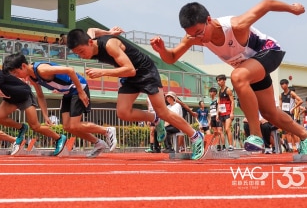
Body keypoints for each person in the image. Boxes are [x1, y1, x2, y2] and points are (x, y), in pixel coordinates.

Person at [150, 0, 307, 154]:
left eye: (199, 33)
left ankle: (256, 136)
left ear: (209, 20)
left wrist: (293, 9)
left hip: (269, 52)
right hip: (250, 69)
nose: (197, 38)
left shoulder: (236, 25)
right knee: (269, 112)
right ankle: (306, 135)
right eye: (192, 35)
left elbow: (266, 4)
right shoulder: (193, 38)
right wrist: (162, 50)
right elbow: (171, 58)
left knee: (237, 76)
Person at [67, 27, 204, 160]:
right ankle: (154, 118)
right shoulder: (90, 37)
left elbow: (130, 69)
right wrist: (109, 31)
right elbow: (92, 29)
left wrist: (102, 72)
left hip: (144, 71)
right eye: (77, 54)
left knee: (163, 111)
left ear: (90, 43)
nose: (82, 56)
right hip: (129, 76)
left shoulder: (110, 45)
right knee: (123, 112)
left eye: (81, 51)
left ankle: (196, 136)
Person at [3, 53, 117, 158]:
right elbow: (40, 96)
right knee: (67, 126)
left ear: (23, 66)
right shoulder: (32, 77)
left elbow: (70, 70)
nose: (17, 77)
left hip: (78, 88)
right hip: (68, 92)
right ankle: (98, 143)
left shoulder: (42, 69)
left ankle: (107, 130)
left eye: (16, 73)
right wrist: (45, 115)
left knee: (75, 124)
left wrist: (81, 92)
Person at [0, 54, 67, 156]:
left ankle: (59, 138)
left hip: (24, 96)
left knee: (35, 126)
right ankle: (22, 127)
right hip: (11, 99)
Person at [279, 79, 303, 152]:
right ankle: (289, 147)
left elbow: (301, 101)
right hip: (284, 114)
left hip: (290, 115)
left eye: (283, 84)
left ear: (287, 84)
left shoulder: (291, 93)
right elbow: (280, 106)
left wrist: (294, 108)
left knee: (293, 131)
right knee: (287, 132)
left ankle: (298, 146)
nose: (282, 86)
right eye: (281, 84)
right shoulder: (281, 95)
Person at [216, 74, 235, 151]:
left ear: (224, 81)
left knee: (227, 129)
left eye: (220, 80)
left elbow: (232, 101)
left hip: (228, 112)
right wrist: (217, 114)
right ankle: (225, 146)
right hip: (222, 113)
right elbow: (219, 103)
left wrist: (232, 113)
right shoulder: (219, 91)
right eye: (217, 81)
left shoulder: (228, 90)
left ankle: (231, 145)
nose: (218, 82)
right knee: (223, 130)